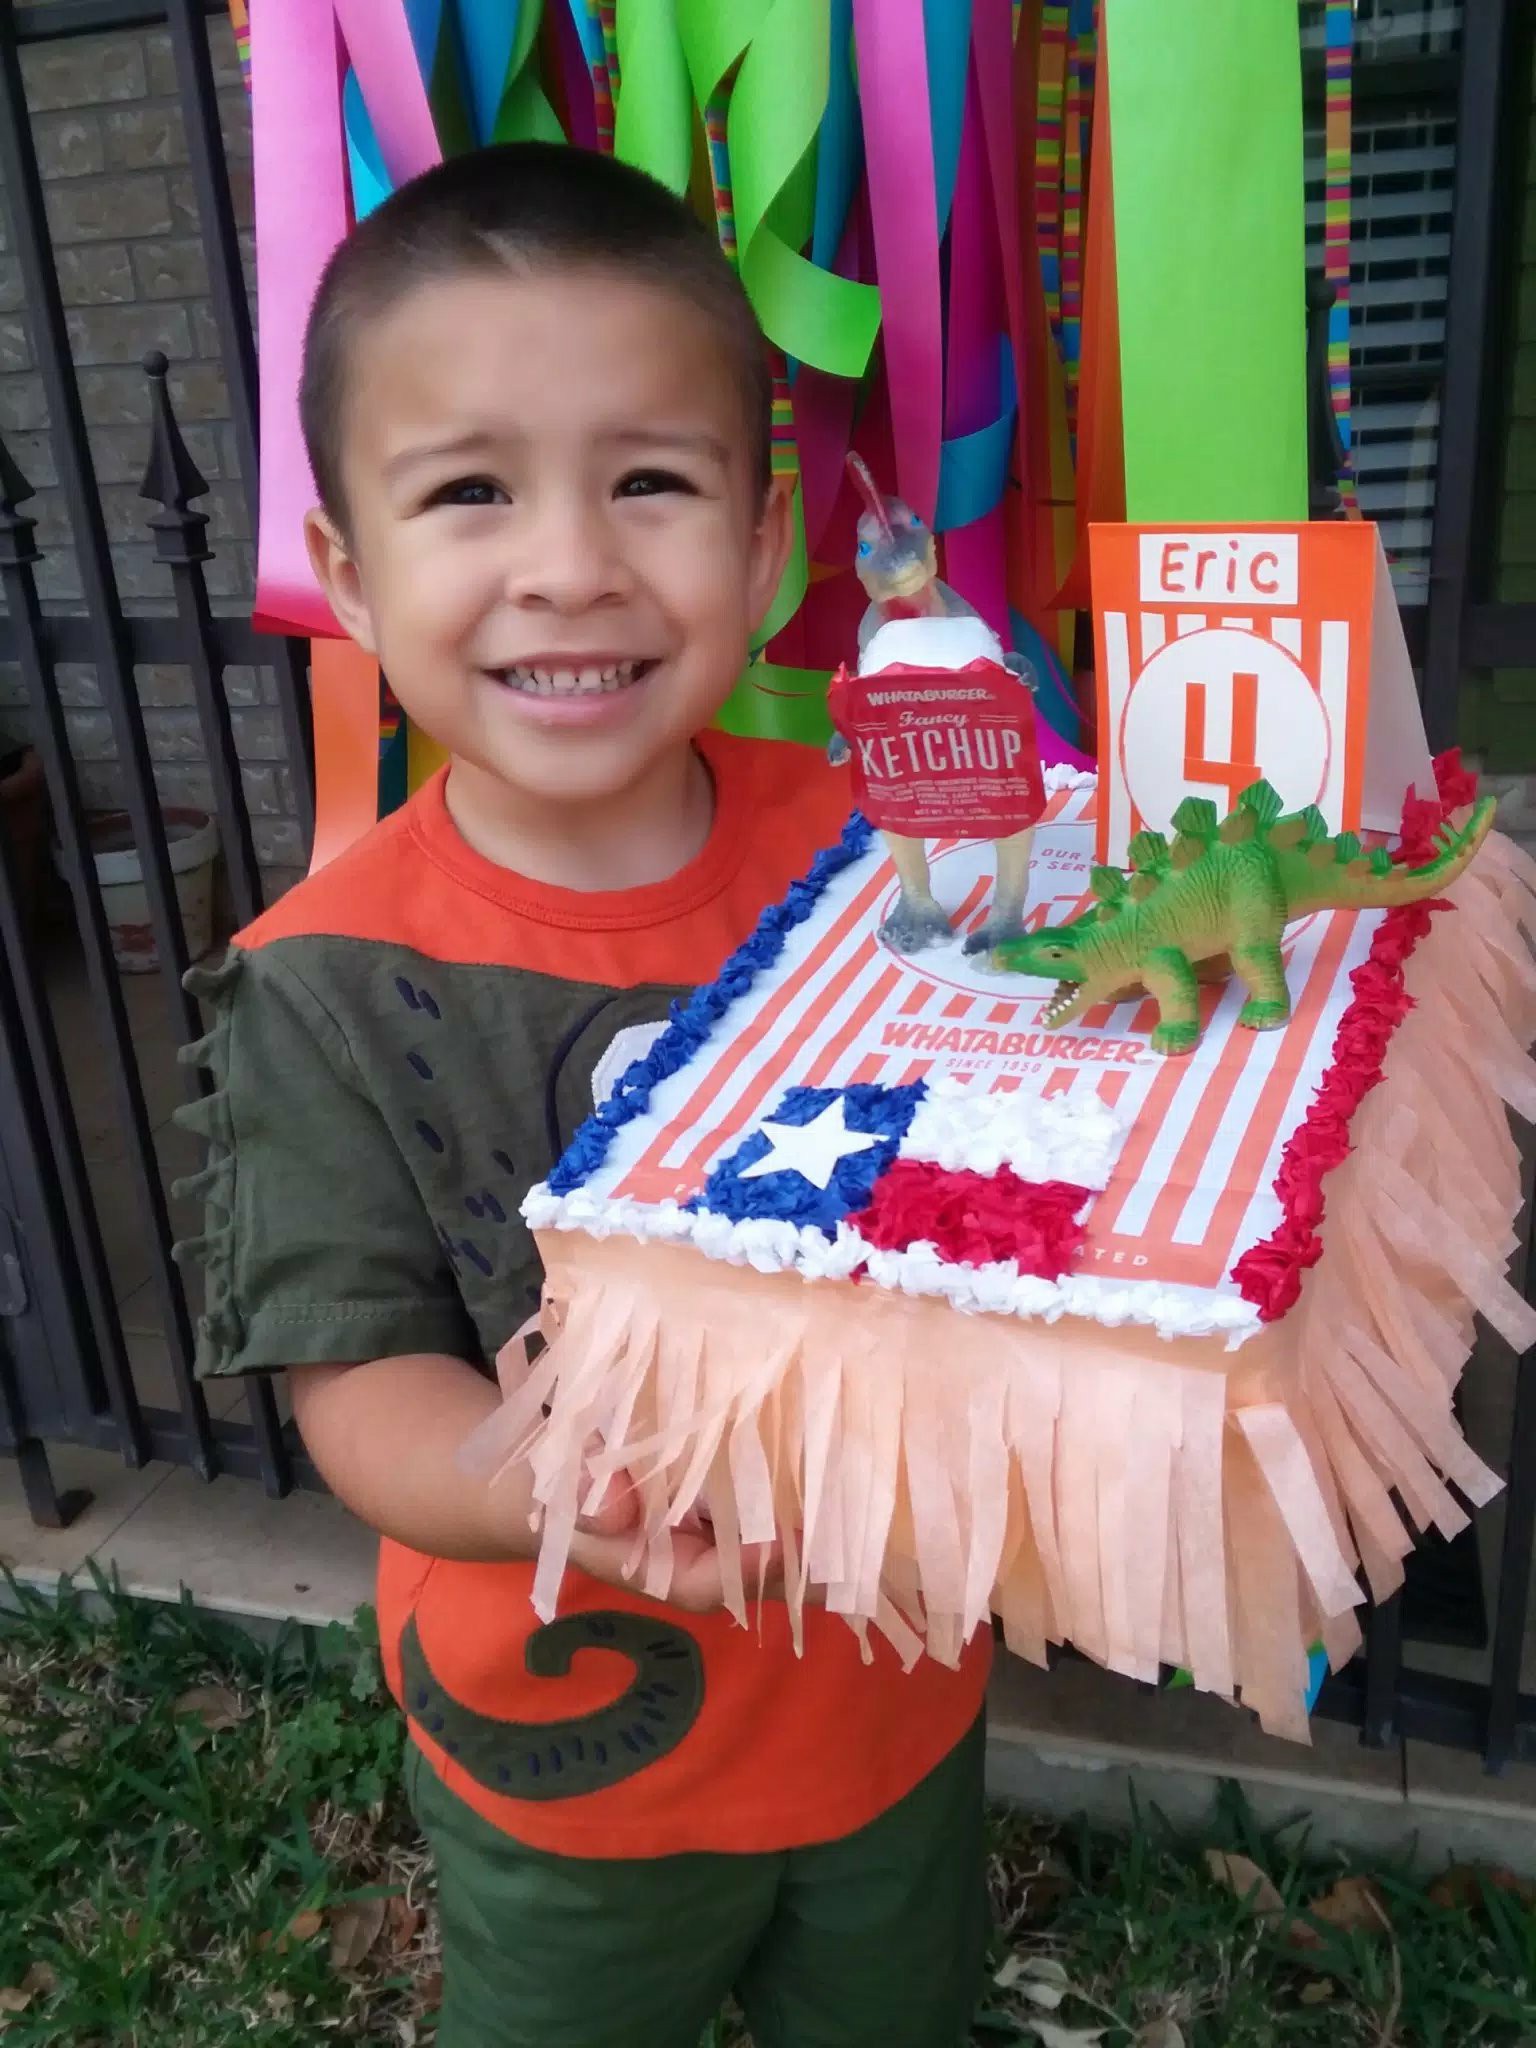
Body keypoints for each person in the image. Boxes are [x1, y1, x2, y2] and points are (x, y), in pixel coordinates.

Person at [176, 141, 992, 2048]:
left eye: (651, 480)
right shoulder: (321, 977)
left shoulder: (897, 858)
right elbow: (356, 1376)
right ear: (351, 576)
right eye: (471, 491)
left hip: (895, 1685)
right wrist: (548, 1478)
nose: (569, 563)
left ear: (769, 541)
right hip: (567, 1738)